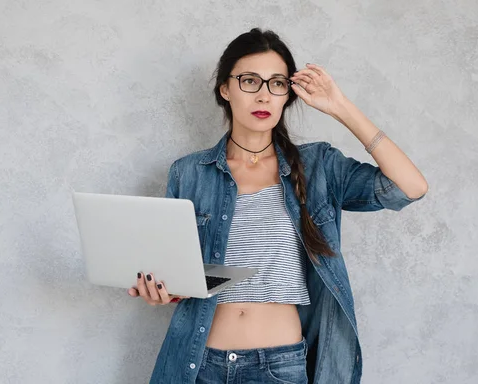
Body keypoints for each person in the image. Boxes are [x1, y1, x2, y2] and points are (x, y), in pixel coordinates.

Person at [128, 28, 428, 384]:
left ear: (288, 93)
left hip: (279, 367)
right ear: (225, 89)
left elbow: (409, 187)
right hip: (198, 365)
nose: (264, 95)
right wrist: (163, 292)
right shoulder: (190, 173)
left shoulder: (319, 166)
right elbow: (182, 275)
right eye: (250, 81)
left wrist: (341, 108)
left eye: (277, 84)